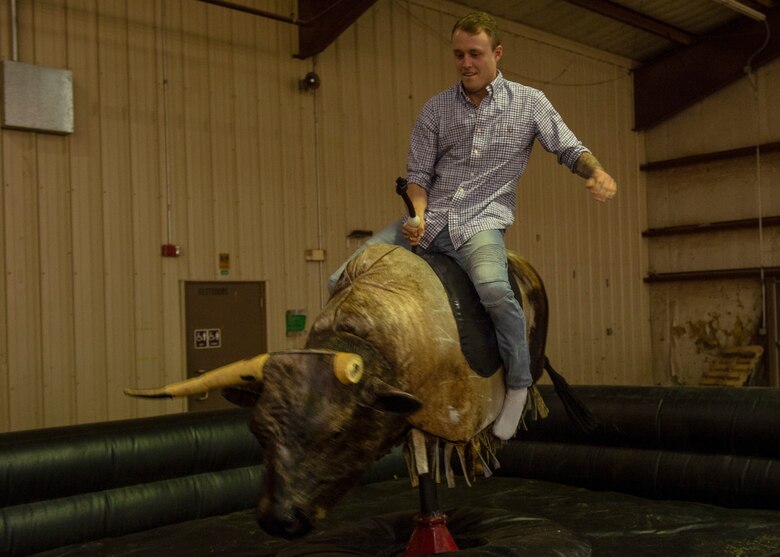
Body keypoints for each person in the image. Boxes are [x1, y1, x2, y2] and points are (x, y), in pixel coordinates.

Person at [329, 11, 617, 440]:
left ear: (496, 53)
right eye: (459, 54)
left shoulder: (530, 103)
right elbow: (419, 177)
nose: (466, 63)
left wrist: (596, 172)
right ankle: (351, 381)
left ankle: (519, 383)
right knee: (340, 277)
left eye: (475, 54)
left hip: (480, 222)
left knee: (495, 290)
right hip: (431, 220)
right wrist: (418, 215)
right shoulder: (435, 109)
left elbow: (569, 148)